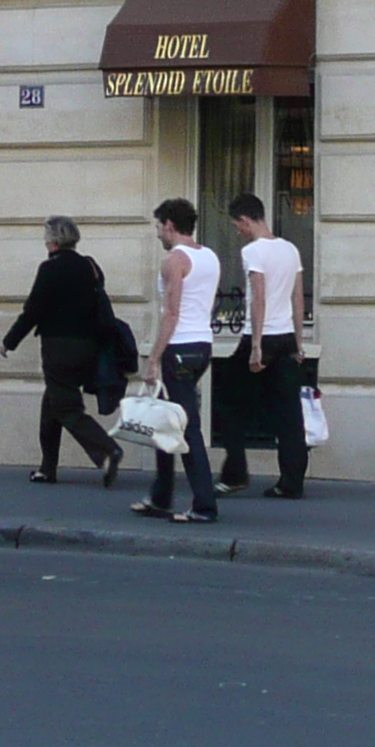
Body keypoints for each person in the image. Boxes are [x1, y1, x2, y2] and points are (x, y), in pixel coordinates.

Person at [1, 217, 124, 487]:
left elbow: (33, 310)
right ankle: (48, 468)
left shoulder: (50, 269)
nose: (45, 241)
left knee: (67, 408)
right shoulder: (90, 266)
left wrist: (10, 341)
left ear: (54, 241)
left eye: (46, 236)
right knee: (52, 405)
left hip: (59, 348)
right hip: (88, 347)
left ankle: (107, 450)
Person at [216, 193, 311, 501]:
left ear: (245, 220)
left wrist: (256, 346)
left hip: (261, 336)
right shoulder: (290, 249)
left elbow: (258, 297)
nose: (237, 231)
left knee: (228, 399)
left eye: (236, 225)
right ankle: (291, 482)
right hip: (285, 338)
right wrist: (299, 343)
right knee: (289, 414)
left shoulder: (253, 251)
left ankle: (235, 473)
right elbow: (298, 299)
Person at [135, 197, 221, 523]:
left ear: (170, 225)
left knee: (187, 429)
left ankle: (204, 504)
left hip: (179, 347)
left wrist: (154, 358)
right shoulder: (209, 256)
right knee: (165, 420)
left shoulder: (174, 260)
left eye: (158, 226)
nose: (157, 233)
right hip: (202, 344)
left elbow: (171, 312)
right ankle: (160, 497)